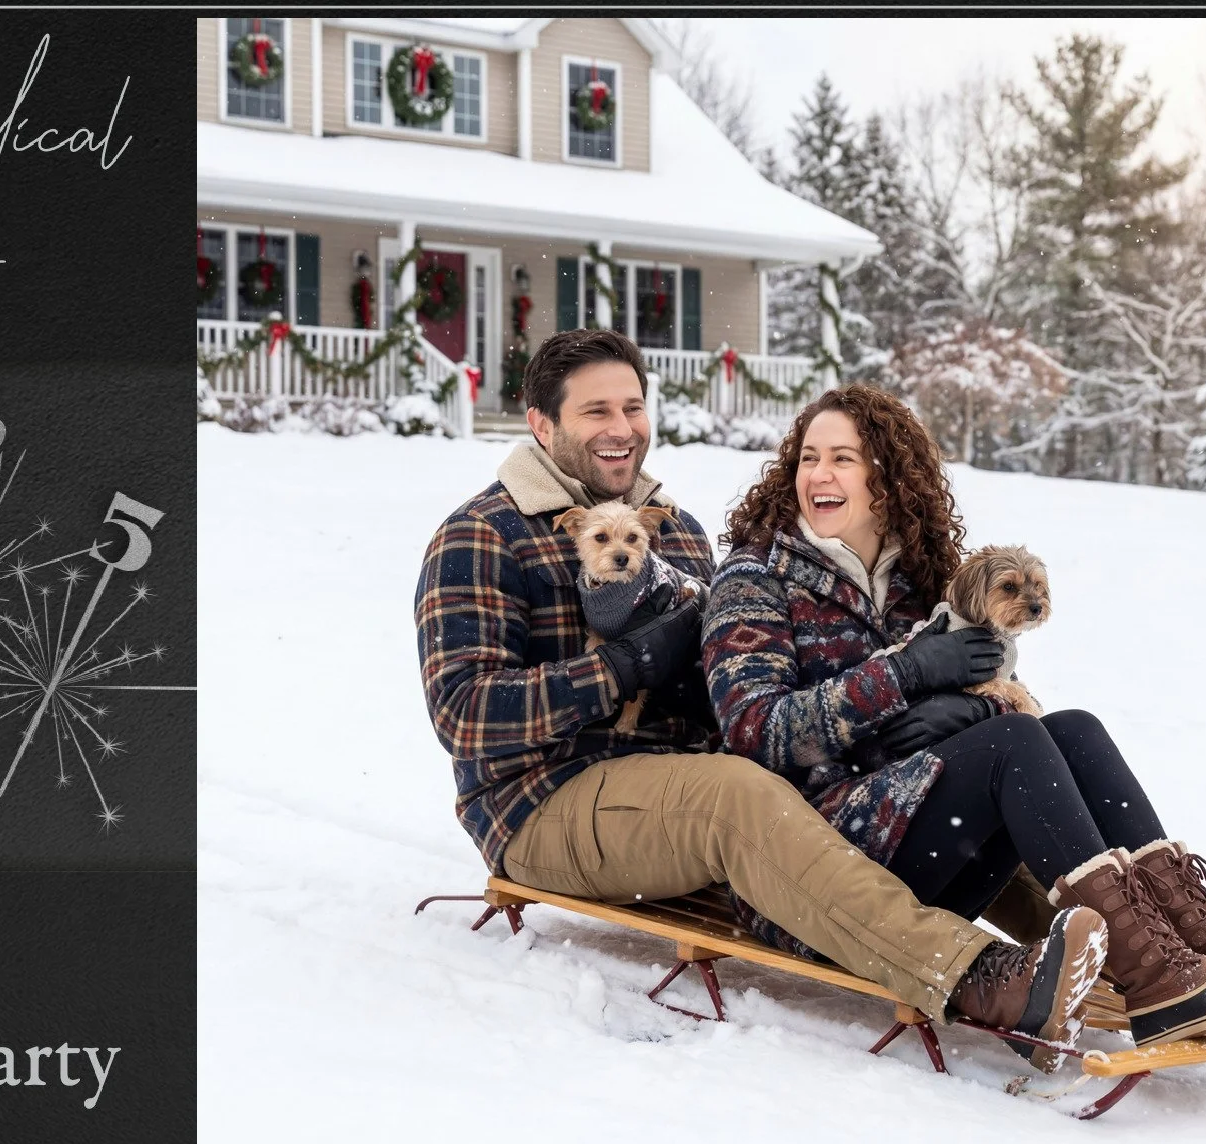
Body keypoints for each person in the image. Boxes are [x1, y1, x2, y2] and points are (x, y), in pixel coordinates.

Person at [415, 330, 1110, 1072]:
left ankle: (1116, 947)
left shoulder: (672, 529)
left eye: (634, 406)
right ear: (542, 424)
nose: (621, 428)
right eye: (596, 411)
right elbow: (465, 714)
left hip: (680, 781)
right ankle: (977, 978)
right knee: (738, 794)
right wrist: (618, 668)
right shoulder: (481, 534)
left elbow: (741, 691)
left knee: (940, 767)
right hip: (543, 800)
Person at [700, 383, 1206, 1047]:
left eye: (844, 458)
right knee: (1013, 741)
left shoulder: (923, 580)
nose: (820, 474)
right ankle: (1158, 978)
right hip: (813, 872)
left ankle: (1195, 940)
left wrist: (958, 711)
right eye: (809, 457)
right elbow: (754, 732)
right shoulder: (755, 578)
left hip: (918, 846)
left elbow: (994, 697)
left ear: (887, 478)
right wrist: (907, 676)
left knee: (1071, 730)